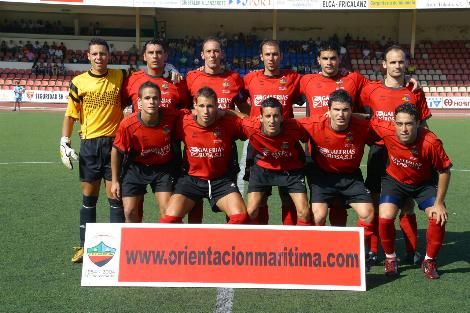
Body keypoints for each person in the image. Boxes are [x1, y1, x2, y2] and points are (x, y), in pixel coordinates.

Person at [360, 45, 432, 265]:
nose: (397, 66)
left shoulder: (414, 91)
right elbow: (353, 108)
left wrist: (425, 152)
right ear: (384, 65)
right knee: (373, 201)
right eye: (392, 62)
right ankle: (372, 250)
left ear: (406, 64)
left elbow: (424, 125)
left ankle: (411, 251)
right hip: (379, 151)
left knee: (407, 202)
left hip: (405, 154)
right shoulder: (370, 90)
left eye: (401, 62)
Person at [60, 38, 126, 264]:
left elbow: (143, 83)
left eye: (103, 54)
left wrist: (170, 73)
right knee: (89, 198)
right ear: (88, 56)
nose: (99, 58)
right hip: (89, 146)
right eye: (95, 54)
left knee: (115, 198)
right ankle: (84, 246)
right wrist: (64, 141)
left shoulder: (120, 76)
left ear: (110, 56)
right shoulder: (78, 82)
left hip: (115, 145)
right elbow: (70, 114)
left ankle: (118, 248)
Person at [372, 103, 451, 279]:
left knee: (438, 218)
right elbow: (364, 119)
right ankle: (390, 258)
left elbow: (444, 171)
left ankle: (429, 261)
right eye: (399, 124)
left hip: (424, 184)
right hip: (395, 181)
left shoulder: (431, 142)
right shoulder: (386, 129)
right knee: (385, 218)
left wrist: (438, 203)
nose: (404, 129)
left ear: (418, 123)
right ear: (394, 123)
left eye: (409, 124)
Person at [298, 89, 375, 262]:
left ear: (352, 110)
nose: (341, 114)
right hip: (322, 177)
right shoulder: (314, 123)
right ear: (329, 110)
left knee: (368, 213)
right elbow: (286, 127)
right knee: (318, 216)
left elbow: (388, 132)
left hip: (350, 177)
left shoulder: (363, 126)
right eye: (336, 110)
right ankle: (318, 252)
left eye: (345, 110)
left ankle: (358, 252)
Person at [160, 87, 249, 224]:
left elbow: (251, 123)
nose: (206, 111)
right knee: (169, 219)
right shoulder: (183, 121)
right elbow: (163, 117)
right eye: (201, 106)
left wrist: (227, 112)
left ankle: (220, 244)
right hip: (190, 181)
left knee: (240, 217)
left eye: (210, 106)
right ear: (195, 106)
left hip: (221, 181)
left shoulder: (228, 123)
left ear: (217, 106)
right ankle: (187, 244)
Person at [242, 40, 302, 225]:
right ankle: (262, 239)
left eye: (275, 54)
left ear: (281, 56)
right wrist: (252, 118)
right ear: (261, 57)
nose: (271, 58)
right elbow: (239, 101)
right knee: (259, 200)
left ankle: (290, 239)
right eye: (267, 54)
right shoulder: (249, 79)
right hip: (259, 145)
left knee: (288, 199)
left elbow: (308, 100)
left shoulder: (294, 78)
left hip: (286, 146)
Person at [230, 97, 312, 226]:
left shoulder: (295, 127)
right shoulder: (251, 126)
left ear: (282, 117)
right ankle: (258, 242)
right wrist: (220, 111)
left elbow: (314, 127)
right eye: (267, 116)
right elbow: (239, 115)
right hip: (263, 167)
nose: (272, 120)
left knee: (304, 213)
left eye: (275, 116)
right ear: (260, 118)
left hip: (290, 168)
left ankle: (296, 242)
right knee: (251, 211)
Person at [111, 82, 179, 222]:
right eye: (147, 98)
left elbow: (192, 115)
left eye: (155, 98)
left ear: (160, 100)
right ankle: (136, 243)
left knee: (167, 212)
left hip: (163, 169)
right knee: (129, 211)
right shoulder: (128, 124)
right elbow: (116, 151)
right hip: (135, 167)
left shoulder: (171, 116)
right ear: (139, 102)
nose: (151, 102)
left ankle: (165, 243)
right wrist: (115, 181)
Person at [122, 39, 190, 113]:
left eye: (159, 53)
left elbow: (185, 110)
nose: (155, 56)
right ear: (144, 56)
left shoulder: (177, 81)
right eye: (151, 53)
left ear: (165, 56)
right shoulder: (132, 80)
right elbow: (121, 105)